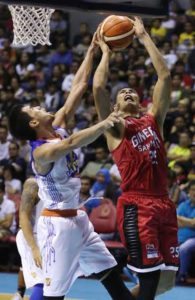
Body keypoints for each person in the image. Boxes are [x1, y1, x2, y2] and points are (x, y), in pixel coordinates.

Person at [8, 32, 134, 300]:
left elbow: (78, 87)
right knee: (54, 296)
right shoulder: (41, 152)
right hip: (57, 228)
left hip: (79, 220)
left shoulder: (57, 127)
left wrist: (92, 51)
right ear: (33, 123)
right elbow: (72, 142)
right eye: (33, 108)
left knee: (111, 277)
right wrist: (106, 121)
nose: (39, 106)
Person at [93, 17, 179, 299]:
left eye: (132, 91)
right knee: (151, 280)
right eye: (122, 93)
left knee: (165, 281)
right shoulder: (116, 128)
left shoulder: (153, 121)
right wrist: (105, 52)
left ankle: (107, 277)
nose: (128, 92)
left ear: (141, 103)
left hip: (164, 204)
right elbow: (98, 89)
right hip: (136, 206)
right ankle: (107, 276)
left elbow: (164, 76)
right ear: (116, 106)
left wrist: (143, 37)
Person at [12, 177, 44, 300]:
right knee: (42, 282)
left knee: (52, 284)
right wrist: (34, 247)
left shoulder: (62, 183)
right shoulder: (33, 183)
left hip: (52, 239)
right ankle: (19, 292)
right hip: (33, 237)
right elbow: (23, 217)